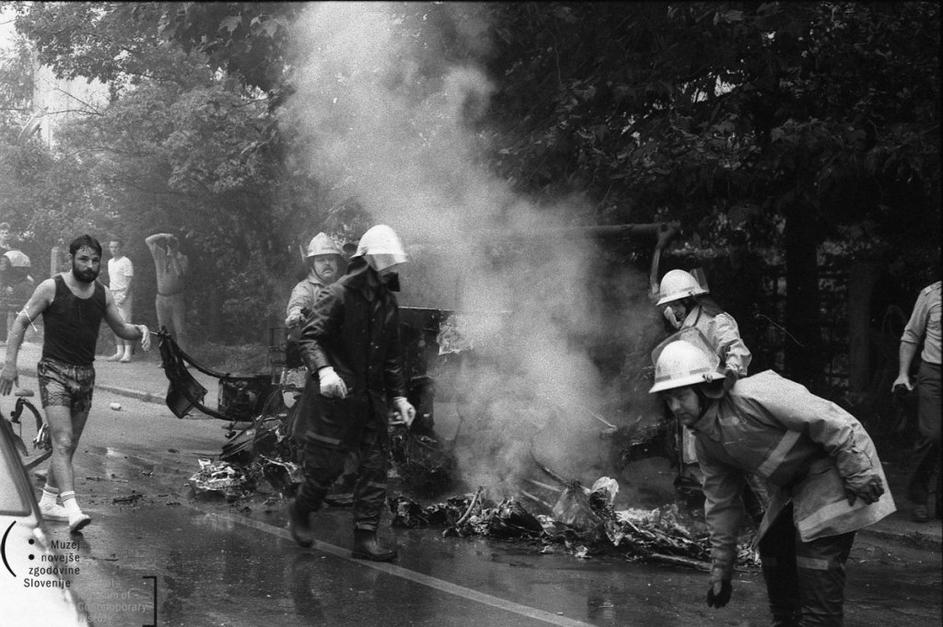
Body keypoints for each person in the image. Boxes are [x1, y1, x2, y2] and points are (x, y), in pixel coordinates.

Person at [649, 339, 894, 624]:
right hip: (798, 482)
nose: (675, 406)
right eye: (669, 399)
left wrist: (856, 469)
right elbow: (722, 507)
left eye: (681, 395)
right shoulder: (706, 441)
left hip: (838, 461)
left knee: (815, 554)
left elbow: (827, 419)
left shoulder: (754, 394)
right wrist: (721, 571)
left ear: (705, 387)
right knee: (773, 543)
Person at [0, 234, 151, 533]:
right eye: (84, 259)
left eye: (95, 260)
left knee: (68, 446)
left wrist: (143, 330)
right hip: (54, 371)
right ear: (71, 259)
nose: (90, 265)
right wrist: (9, 364)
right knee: (64, 439)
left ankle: (48, 501)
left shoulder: (102, 294)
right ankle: (73, 509)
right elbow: (20, 322)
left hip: (85, 374)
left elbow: (121, 327)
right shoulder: (51, 287)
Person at [288, 224, 416, 561]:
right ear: (371, 261)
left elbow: (391, 357)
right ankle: (301, 511)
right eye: (389, 261)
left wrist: (400, 397)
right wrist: (325, 370)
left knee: (374, 469)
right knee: (325, 471)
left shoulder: (388, 303)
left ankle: (365, 539)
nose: (395, 268)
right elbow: (310, 337)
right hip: (335, 401)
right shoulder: (338, 295)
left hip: (370, 404)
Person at [655, 268, 766, 519]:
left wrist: (729, 376)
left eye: (675, 304)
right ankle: (705, 521)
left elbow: (737, 352)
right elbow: (672, 317)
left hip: (719, 402)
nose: (672, 310)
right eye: (670, 305)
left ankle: (763, 520)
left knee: (738, 464)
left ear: (688, 299)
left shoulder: (716, 320)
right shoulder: (685, 321)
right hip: (695, 407)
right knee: (697, 466)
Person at [283, 233, 355, 505]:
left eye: (331, 259)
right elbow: (296, 310)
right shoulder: (305, 289)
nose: (327, 264)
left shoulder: (345, 288)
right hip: (311, 360)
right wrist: (295, 315)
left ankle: (347, 474)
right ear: (311, 264)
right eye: (321, 259)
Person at [892, 279, 941, 522]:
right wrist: (902, 373)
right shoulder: (930, 295)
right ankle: (918, 498)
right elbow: (911, 334)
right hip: (933, 373)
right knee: (931, 434)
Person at [145, 232, 189, 350]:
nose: (171, 244)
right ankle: (167, 358)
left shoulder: (183, 258)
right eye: (170, 242)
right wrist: (163, 235)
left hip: (176, 299)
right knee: (163, 331)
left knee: (180, 330)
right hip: (160, 298)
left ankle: (184, 358)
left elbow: (180, 274)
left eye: (174, 242)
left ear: (178, 244)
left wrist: (173, 255)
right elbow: (148, 240)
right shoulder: (160, 255)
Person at [105, 238, 135, 362]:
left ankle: (127, 353)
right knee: (114, 322)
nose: (113, 249)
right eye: (111, 247)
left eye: (116, 247)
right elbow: (112, 281)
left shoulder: (126, 261)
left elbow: (130, 282)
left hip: (124, 294)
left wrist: (124, 296)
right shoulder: (110, 262)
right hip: (113, 293)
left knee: (125, 323)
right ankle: (119, 352)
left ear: (120, 248)